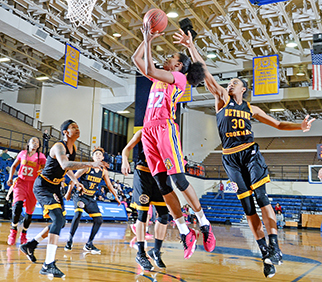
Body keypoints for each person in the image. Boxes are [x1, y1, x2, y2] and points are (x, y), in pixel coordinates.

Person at [173, 29, 315, 277]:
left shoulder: (252, 108)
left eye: (235, 83)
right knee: (248, 208)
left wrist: (300, 127)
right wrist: (191, 47)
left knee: (262, 198)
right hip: (230, 159)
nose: (231, 84)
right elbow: (205, 72)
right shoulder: (221, 100)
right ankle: (265, 255)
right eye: (230, 82)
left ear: (243, 89)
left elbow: (279, 125)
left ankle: (275, 247)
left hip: (250, 154)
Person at [132, 23, 216, 260]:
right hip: (148, 130)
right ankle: (184, 231)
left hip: (164, 128)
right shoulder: (158, 76)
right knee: (162, 184)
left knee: (178, 180)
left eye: (171, 57)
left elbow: (148, 65)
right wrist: (144, 38)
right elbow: (135, 58)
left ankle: (203, 222)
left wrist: (149, 40)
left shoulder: (178, 78)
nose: (166, 59)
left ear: (179, 65)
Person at [19, 120, 108, 279]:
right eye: (73, 127)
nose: (77, 128)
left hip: (55, 188)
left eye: (78, 126)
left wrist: (75, 181)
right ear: (65, 132)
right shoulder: (59, 147)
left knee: (59, 222)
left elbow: (66, 168)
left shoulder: (73, 148)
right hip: (43, 186)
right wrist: (90, 163)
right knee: (59, 219)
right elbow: (65, 163)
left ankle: (31, 245)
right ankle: (48, 264)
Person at [122, 130, 170, 271]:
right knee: (143, 215)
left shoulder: (168, 132)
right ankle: (141, 253)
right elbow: (127, 149)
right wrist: (125, 160)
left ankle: (156, 251)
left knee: (164, 215)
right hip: (143, 173)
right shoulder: (143, 131)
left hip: (160, 174)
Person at [64, 147, 121, 254]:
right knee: (78, 214)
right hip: (80, 196)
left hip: (91, 198)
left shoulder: (104, 171)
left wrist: (116, 197)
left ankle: (89, 244)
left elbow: (109, 185)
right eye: (96, 154)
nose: (98, 155)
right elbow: (73, 178)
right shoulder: (87, 167)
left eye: (100, 154)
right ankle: (69, 240)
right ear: (93, 157)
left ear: (103, 157)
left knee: (99, 220)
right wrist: (68, 193)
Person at [6, 137, 46, 245]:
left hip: (33, 186)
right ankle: (13, 231)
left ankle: (24, 233)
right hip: (21, 182)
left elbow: (46, 170)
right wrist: (10, 178)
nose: (34, 143)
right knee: (17, 205)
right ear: (28, 143)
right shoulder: (22, 153)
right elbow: (14, 166)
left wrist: (43, 170)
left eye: (37, 142)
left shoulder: (41, 157)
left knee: (29, 213)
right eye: (33, 141)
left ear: (38, 146)